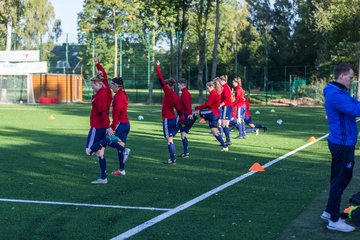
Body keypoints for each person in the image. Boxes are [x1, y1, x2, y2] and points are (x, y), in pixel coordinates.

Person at [321, 63, 359, 232]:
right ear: (342, 76)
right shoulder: (335, 95)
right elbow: (356, 109)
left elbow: (354, 104)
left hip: (343, 142)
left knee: (341, 178)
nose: (352, 81)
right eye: (350, 77)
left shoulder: (340, 92)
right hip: (342, 143)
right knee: (340, 180)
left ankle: (329, 211)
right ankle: (334, 220)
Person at [86, 77, 131, 176]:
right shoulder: (122, 94)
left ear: (116, 85)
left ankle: (92, 149)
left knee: (107, 140)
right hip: (125, 123)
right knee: (119, 145)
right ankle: (122, 169)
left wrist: (112, 127)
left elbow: (117, 113)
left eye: (112, 85)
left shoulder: (119, 96)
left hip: (120, 124)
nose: (111, 87)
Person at [156, 60, 184, 164]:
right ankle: (173, 159)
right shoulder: (176, 96)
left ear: (168, 86)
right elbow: (179, 110)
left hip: (167, 120)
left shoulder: (168, 92)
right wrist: (182, 119)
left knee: (169, 139)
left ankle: (172, 159)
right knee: (171, 138)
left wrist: (158, 67)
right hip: (173, 118)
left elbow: (160, 79)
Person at [85, 74, 112, 184]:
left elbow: (103, 113)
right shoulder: (105, 91)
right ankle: (103, 178)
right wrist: (98, 65)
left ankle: (110, 140)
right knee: (100, 153)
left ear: (98, 83)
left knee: (89, 151)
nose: (92, 87)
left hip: (97, 127)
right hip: (101, 126)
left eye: (92, 85)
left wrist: (108, 126)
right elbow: (104, 79)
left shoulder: (100, 96)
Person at [194, 79, 228, 151]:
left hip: (212, 113)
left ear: (210, 87)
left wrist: (198, 107)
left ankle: (184, 127)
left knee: (196, 112)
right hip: (215, 114)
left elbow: (207, 104)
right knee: (214, 132)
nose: (207, 89)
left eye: (207, 88)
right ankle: (225, 146)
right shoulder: (216, 93)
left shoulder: (213, 94)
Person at [177, 78, 197, 158]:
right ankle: (185, 152)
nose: (178, 87)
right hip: (184, 115)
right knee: (183, 135)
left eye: (178, 85)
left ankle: (186, 153)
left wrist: (189, 115)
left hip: (185, 116)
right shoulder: (185, 93)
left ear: (182, 85)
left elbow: (188, 106)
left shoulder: (185, 94)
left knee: (183, 135)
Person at [218, 75, 232, 145]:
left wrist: (220, 105)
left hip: (227, 107)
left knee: (224, 125)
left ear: (223, 81)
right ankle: (228, 140)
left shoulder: (226, 88)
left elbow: (227, 99)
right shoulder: (225, 87)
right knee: (225, 125)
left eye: (220, 81)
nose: (219, 82)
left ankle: (228, 140)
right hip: (226, 107)